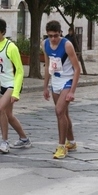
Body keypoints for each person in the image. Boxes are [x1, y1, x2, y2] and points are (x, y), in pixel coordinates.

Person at [0, 17, 31, 153]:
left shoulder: (11, 47)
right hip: (4, 85)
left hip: (13, 83)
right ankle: (24, 139)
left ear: (3, 32)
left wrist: (16, 92)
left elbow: (20, 70)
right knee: (8, 115)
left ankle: (4, 142)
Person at [42, 20, 80, 159]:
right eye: (50, 36)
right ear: (47, 34)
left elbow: (77, 69)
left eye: (56, 35)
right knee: (63, 114)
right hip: (56, 81)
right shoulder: (45, 44)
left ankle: (61, 146)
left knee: (59, 111)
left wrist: (72, 91)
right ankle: (72, 142)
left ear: (60, 33)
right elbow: (47, 65)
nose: (53, 39)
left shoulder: (67, 45)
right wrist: (45, 86)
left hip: (67, 80)